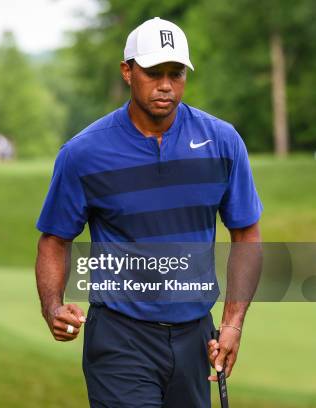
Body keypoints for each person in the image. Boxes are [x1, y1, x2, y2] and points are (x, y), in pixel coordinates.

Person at [35, 17, 263, 408]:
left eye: (176, 74)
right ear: (128, 72)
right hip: (120, 339)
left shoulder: (222, 142)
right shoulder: (84, 153)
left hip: (195, 337)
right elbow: (55, 238)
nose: (165, 85)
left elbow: (246, 234)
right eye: (153, 73)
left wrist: (232, 324)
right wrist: (52, 306)